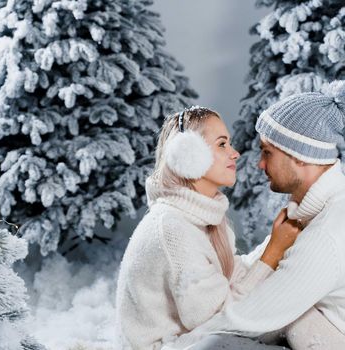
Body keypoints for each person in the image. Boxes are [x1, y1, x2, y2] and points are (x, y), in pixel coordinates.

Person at [165, 80, 345, 350]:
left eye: (267, 152)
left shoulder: (328, 232)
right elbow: (257, 268)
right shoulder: (316, 208)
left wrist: (180, 342)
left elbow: (251, 316)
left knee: (219, 343)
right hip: (342, 336)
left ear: (300, 156)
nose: (259, 163)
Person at [115, 106, 302, 350]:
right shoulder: (172, 228)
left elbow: (234, 280)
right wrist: (272, 254)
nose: (235, 154)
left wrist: (275, 242)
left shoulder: (201, 219)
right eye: (222, 144)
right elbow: (220, 319)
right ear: (189, 154)